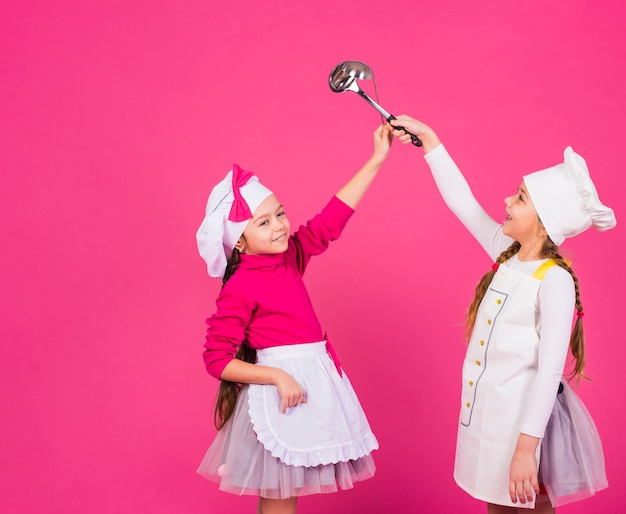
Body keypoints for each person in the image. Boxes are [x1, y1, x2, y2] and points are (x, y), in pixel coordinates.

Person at [390, 116, 613, 513]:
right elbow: (463, 202)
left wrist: (527, 447)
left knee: (530, 507)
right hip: (490, 420)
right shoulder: (506, 256)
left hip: (525, 426)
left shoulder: (555, 280)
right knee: (497, 508)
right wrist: (431, 142)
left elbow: (549, 371)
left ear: (544, 225)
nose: (508, 201)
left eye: (521, 197)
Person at [195, 124, 392, 514]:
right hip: (281, 394)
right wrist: (277, 376)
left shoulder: (288, 259)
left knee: (288, 494)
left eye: (280, 213)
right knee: (280, 496)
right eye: (263, 222)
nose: (280, 225)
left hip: (312, 387)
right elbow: (217, 359)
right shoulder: (240, 286)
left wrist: (376, 160)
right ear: (238, 240)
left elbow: (329, 221)